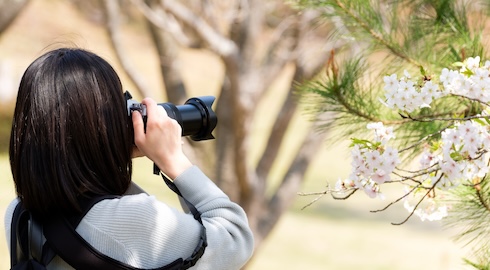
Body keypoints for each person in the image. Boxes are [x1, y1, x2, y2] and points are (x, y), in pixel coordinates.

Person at [4, 47, 254, 269]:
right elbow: (234, 240)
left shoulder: (19, 213)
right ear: (98, 129)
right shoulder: (137, 219)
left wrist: (109, 155)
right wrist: (173, 160)